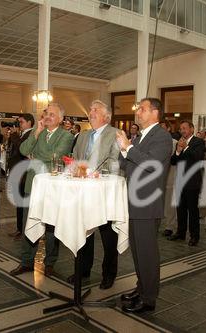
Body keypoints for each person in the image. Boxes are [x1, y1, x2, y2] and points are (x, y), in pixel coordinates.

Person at [116, 98, 173, 314]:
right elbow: (128, 164)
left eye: (142, 109)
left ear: (155, 113)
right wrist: (123, 150)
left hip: (147, 202)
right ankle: (141, 288)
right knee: (139, 252)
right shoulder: (141, 136)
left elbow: (152, 165)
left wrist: (128, 147)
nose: (138, 112)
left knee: (147, 252)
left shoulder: (162, 136)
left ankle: (149, 298)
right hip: (134, 200)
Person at [10, 103, 74, 277]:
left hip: (53, 187)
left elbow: (56, 156)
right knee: (28, 223)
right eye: (46, 113)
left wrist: (35, 156)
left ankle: (50, 263)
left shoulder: (66, 136)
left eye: (52, 114)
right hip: (33, 184)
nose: (47, 116)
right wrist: (36, 133)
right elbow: (23, 150)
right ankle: (26, 262)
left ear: (60, 119)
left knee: (51, 227)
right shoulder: (37, 132)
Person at [70, 100, 120, 289]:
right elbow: (74, 156)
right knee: (84, 232)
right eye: (90, 110)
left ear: (106, 116)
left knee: (108, 235)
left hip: (104, 192)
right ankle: (83, 270)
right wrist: (75, 167)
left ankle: (109, 274)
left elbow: (115, 162)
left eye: (95, 110)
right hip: (83, 191)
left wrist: (92, 171)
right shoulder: (83, 135)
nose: (91, 113)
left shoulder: (115, 134)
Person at [169, 121, 205, 246]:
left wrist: (185, 148)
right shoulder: (180, 141)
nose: (182, 131)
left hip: (192, 181)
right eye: (181, 129)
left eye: (184, 128)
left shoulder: (198, 142)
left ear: (192, 129)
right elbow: (173, 161)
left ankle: (194, 236)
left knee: (193, 210)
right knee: (180, 209)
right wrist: (178, 151)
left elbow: (197, 157)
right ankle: (181, 232)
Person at [7, 113, 34, 238]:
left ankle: (24, 229)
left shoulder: (31, 134)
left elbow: (22, 149)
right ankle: (19, 228)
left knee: (24, 203)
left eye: (21, 122)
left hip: (24, 174)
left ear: (29, 122)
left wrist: (13, 135)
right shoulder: (20, 134)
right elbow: (12, 150)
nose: (19, 124)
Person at [159, 120, 178, 237]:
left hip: (170, 173)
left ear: (168, 129)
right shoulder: (155, 142)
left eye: (163, 127)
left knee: (169, 201)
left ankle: (170, 226)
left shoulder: (174, 142)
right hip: (157, 175)